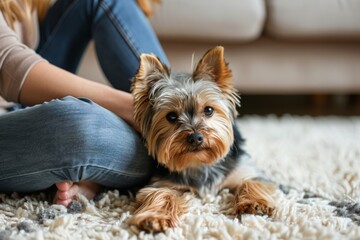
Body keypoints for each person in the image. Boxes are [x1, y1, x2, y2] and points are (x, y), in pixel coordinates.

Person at [0, 0, 168, 206]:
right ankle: (169, 148)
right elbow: (8, 68)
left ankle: (177, 120)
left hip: (16, 102)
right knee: (80, 126)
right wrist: (136, 110)